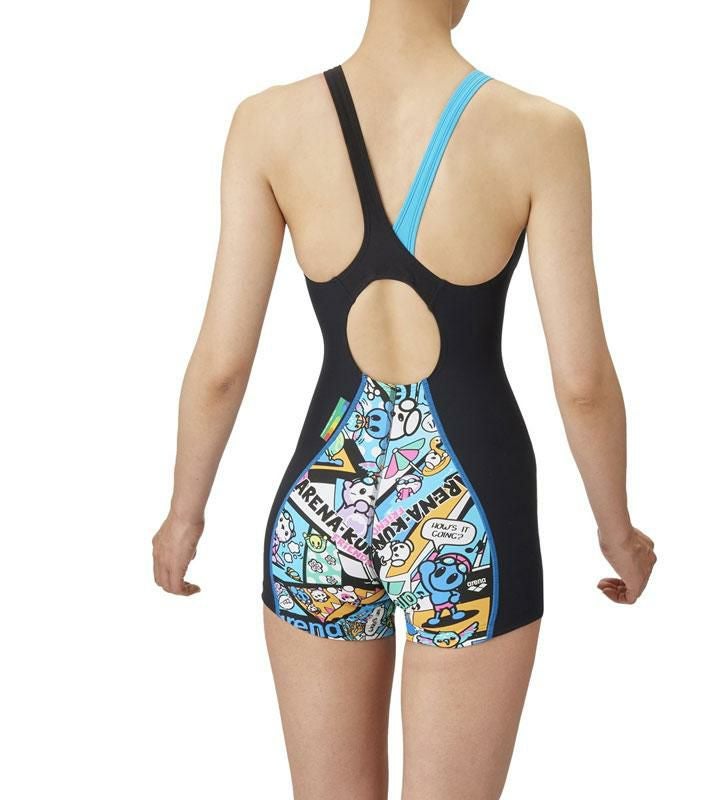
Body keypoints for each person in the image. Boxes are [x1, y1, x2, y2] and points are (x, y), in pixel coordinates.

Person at [151, 1, 657, 797]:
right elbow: (582, 382)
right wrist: (616, 530)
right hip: (469, 513)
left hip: (321, 512)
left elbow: (221, 364)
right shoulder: (541, 132)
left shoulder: (267, 124)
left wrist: (184, 516)